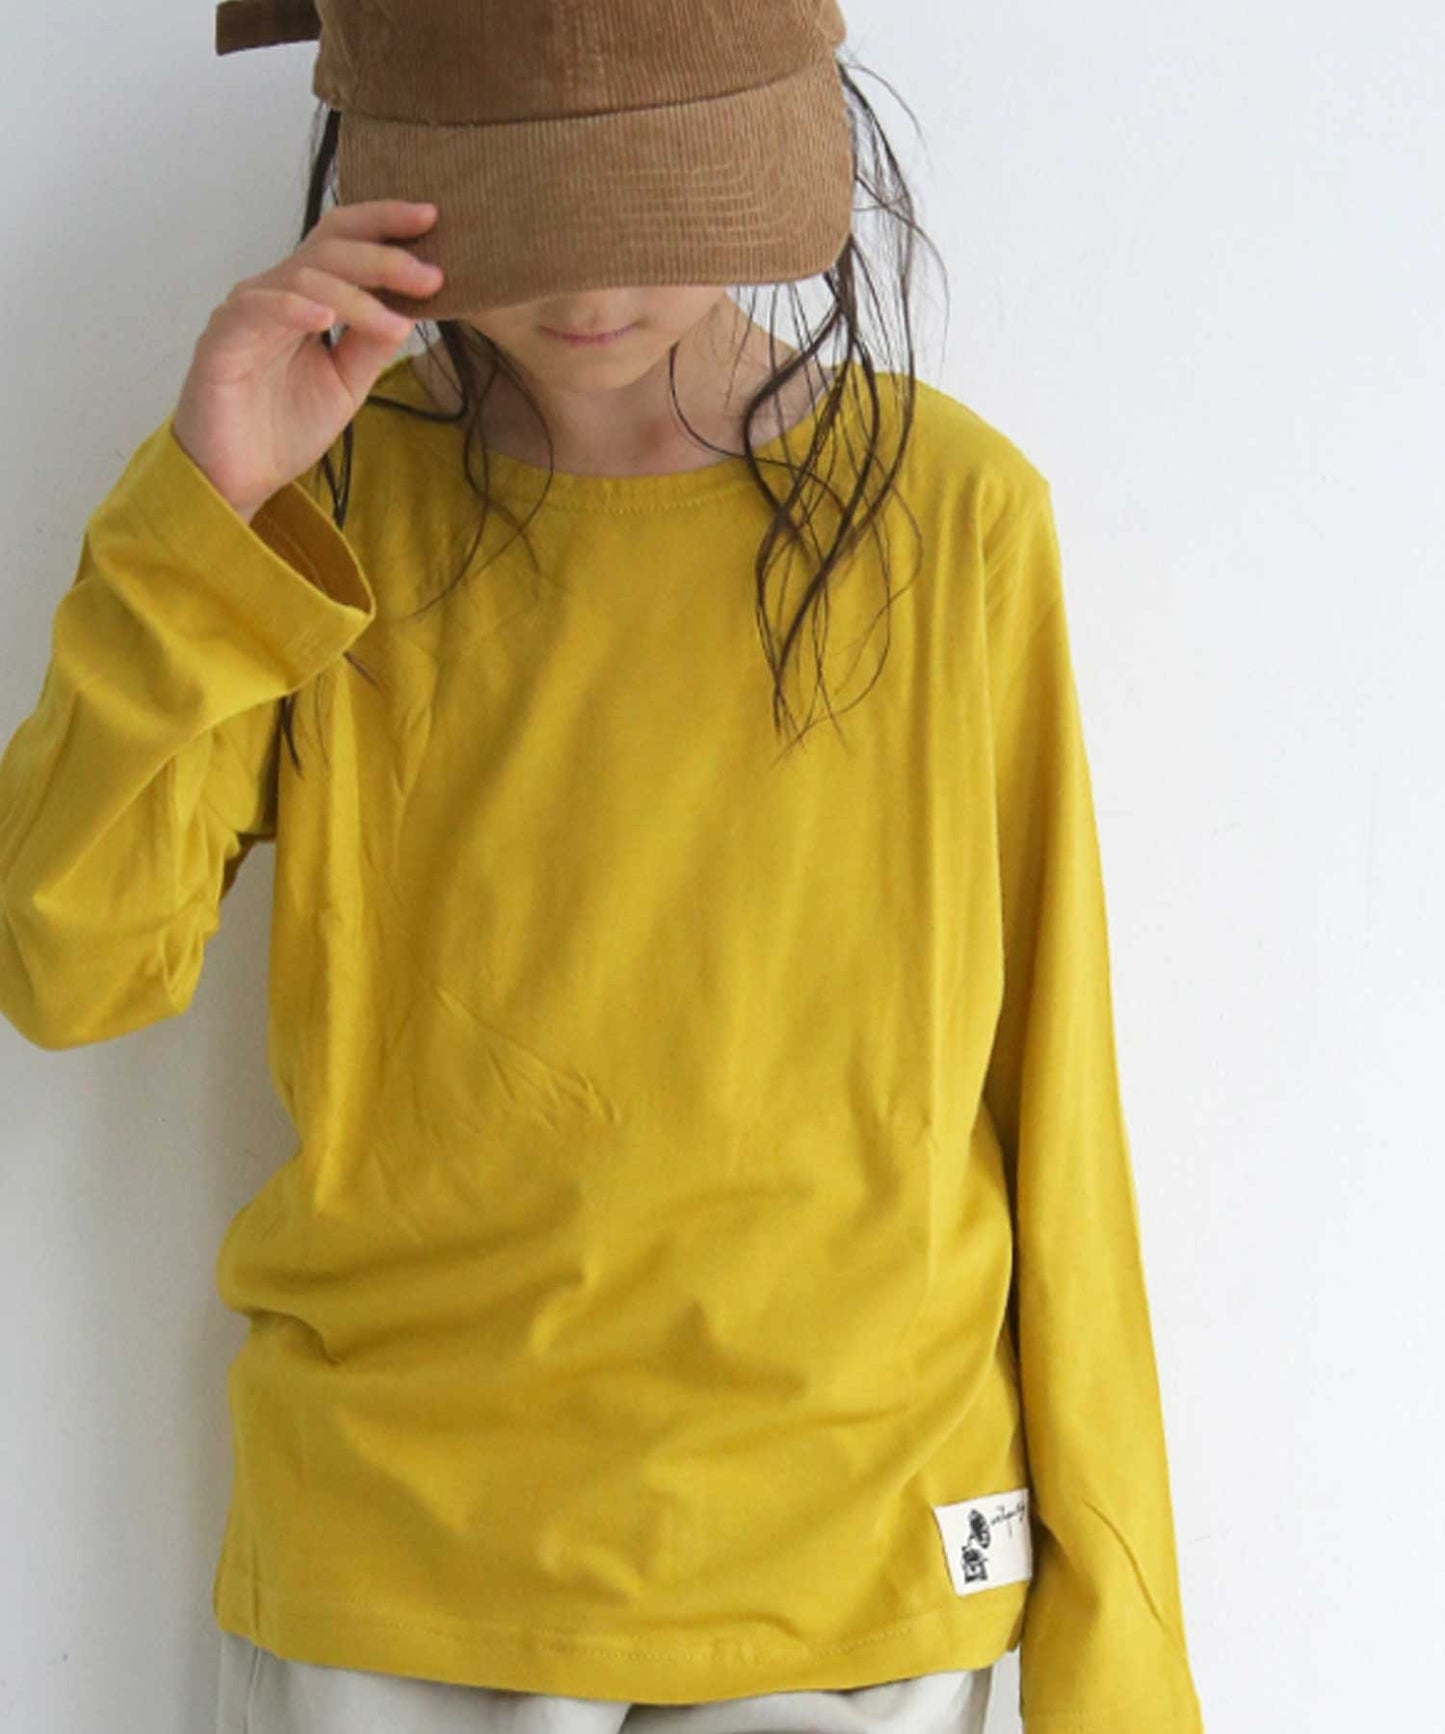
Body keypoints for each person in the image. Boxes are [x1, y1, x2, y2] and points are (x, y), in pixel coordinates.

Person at [0, 3, 1206, 1732]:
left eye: (649, 198)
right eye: (522, 208)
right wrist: (208, 509)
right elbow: (67, 963)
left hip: (853, 1572)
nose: (586, 286)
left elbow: (1057, 1106)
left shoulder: (952, 517)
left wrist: (1119, 1670)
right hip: (401, 1565)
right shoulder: (322, 493)